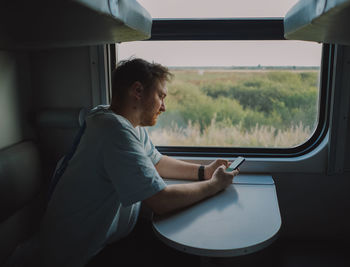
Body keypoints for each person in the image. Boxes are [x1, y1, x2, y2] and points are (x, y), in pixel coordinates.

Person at [37, 58, 239, 267]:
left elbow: (156, 162)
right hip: (81, 254)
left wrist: (204, 171)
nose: (164, 107)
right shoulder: (113, 130)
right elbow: (161, 202)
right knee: (183, 256)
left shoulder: (121, 121)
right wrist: (214, 185)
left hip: (105, 239)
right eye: (161, 96)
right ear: (138, 91)